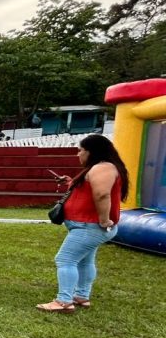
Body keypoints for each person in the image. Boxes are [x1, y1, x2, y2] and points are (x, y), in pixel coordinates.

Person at [37, 134, 130, 313]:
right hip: (87, 226)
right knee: (85, 261)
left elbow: (102, 194)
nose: (78, 154)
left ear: (91, 151)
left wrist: (104, 219)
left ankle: (64, 301)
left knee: (65, 259)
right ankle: (81, 295)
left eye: (80, 150)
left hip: (89, 226)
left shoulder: (103, 168)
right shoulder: (101, 167)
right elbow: (90, 189)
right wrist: (70, 181)